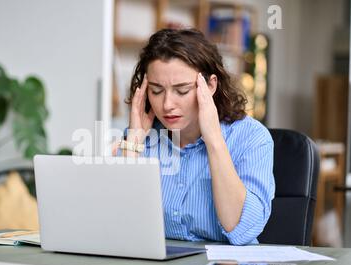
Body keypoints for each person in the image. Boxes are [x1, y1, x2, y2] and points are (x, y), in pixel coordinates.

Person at [113, 28, 275, 245]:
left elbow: (241, 230)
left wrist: (214, 139)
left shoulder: (252, 138)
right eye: (156, 90)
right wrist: (132, 143)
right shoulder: (141, 138)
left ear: (210, 86)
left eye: (182, 90)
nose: (167, 104)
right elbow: (119, 223)